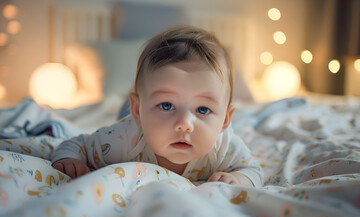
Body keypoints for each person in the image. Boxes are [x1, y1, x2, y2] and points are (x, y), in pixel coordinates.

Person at [51, 25, 263, 187]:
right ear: (138, 110)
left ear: (225, 120)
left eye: (203, 109)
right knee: (127, 110)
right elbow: (77, 144)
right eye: (168, 105)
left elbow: (253, 171)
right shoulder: (123, 139)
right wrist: (70, 159)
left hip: (145, 110)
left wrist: (238, 178)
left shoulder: (224, 147)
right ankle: (131, 104)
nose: (184, 124)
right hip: (133, 116)